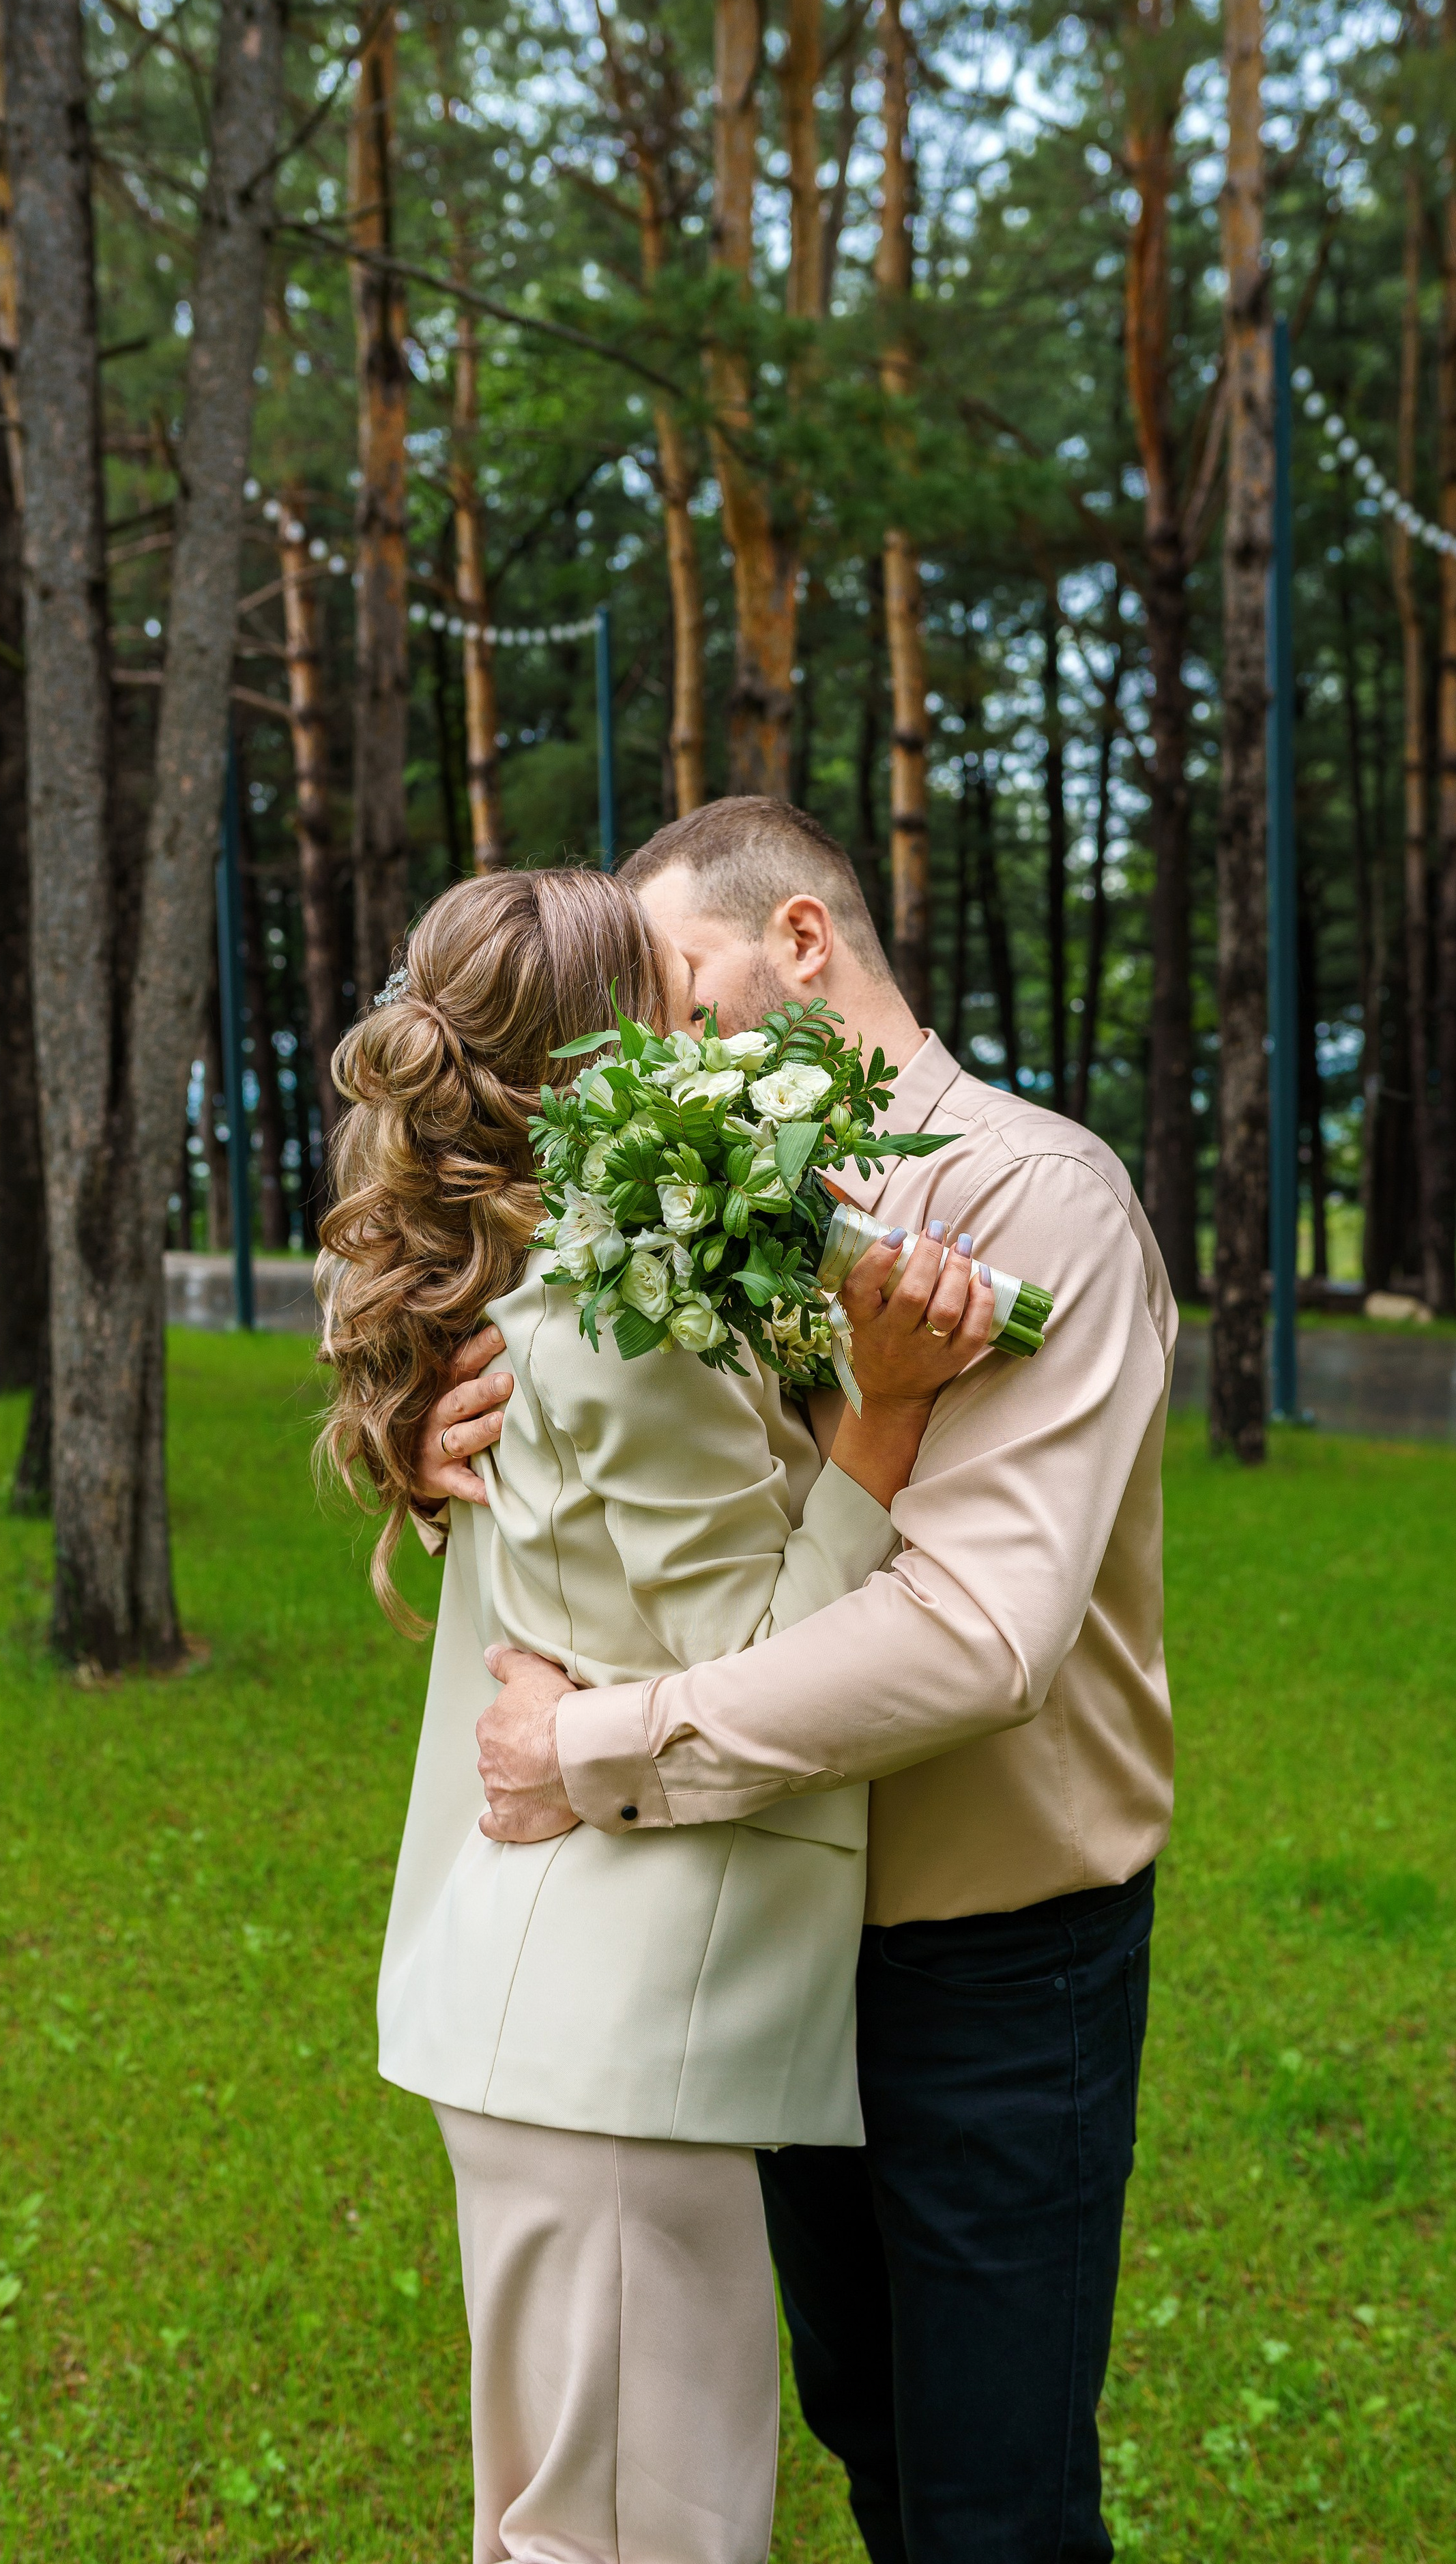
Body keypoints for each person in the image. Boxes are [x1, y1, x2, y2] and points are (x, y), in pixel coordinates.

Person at [419, 798, 1177, 2564]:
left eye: (685, 1002)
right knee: (875, 2445)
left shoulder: (1030, 1199)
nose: (652, 1061)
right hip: (778, 1929)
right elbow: (633, 1484)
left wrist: (595, 1749)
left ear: (806, 947)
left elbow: (971, 1635)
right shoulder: (694, 1198)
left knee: (992, 2503)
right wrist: (434, 1427)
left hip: (992, 1963)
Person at [317, 865, 992, 2564]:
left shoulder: (515, 1303)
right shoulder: (622, 1332)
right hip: (615, 2039)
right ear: (612, 1058)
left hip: (561, 2026)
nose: (707, 1037)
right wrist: (880, 1428)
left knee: (568, 2531)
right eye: (677, 1013)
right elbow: (764, 1646)